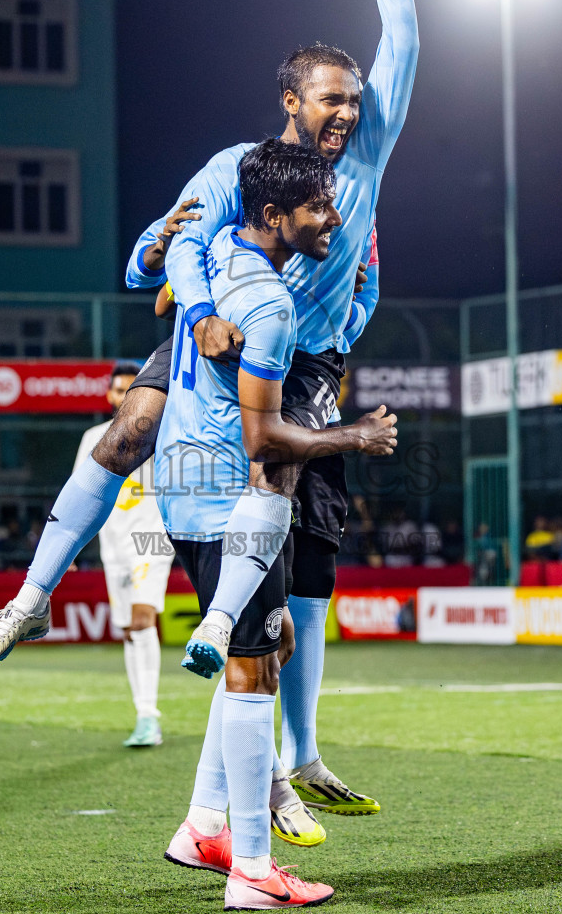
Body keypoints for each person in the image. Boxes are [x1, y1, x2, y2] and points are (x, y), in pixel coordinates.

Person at [0, 0, 415, 824]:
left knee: (308, 570)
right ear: (291, 101)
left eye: (354, 98)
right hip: (221, 345)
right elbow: (174, 244)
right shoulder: (236, 168)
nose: (349, 109)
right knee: (131, 425)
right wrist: (205, 310)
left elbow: (403, 50)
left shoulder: (364, 161)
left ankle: (299, 756)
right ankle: (31, 595)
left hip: (306, 366)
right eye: (332, 97)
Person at [155, 138, 397, 908]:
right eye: (318, 208)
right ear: (272, 214)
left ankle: (202, 824)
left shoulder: (217, 251)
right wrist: (355, 436)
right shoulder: (273, 304)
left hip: (190, 486)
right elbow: (266, 442)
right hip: (226, 495)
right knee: (256, 663)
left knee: (274, 643)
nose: (333, 219)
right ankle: (254, 871)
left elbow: (158, 284)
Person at [73, 360, 174, 748]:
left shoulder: (160, 433)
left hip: (151, 538)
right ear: (109, 394)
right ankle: (142, 713)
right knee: (130, 630)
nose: (124, 395)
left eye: (132, 388)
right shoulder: (93, 437)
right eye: (118, 389)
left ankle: (150, 716)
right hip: (113, 544)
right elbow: (83, 493)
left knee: (142, 618)